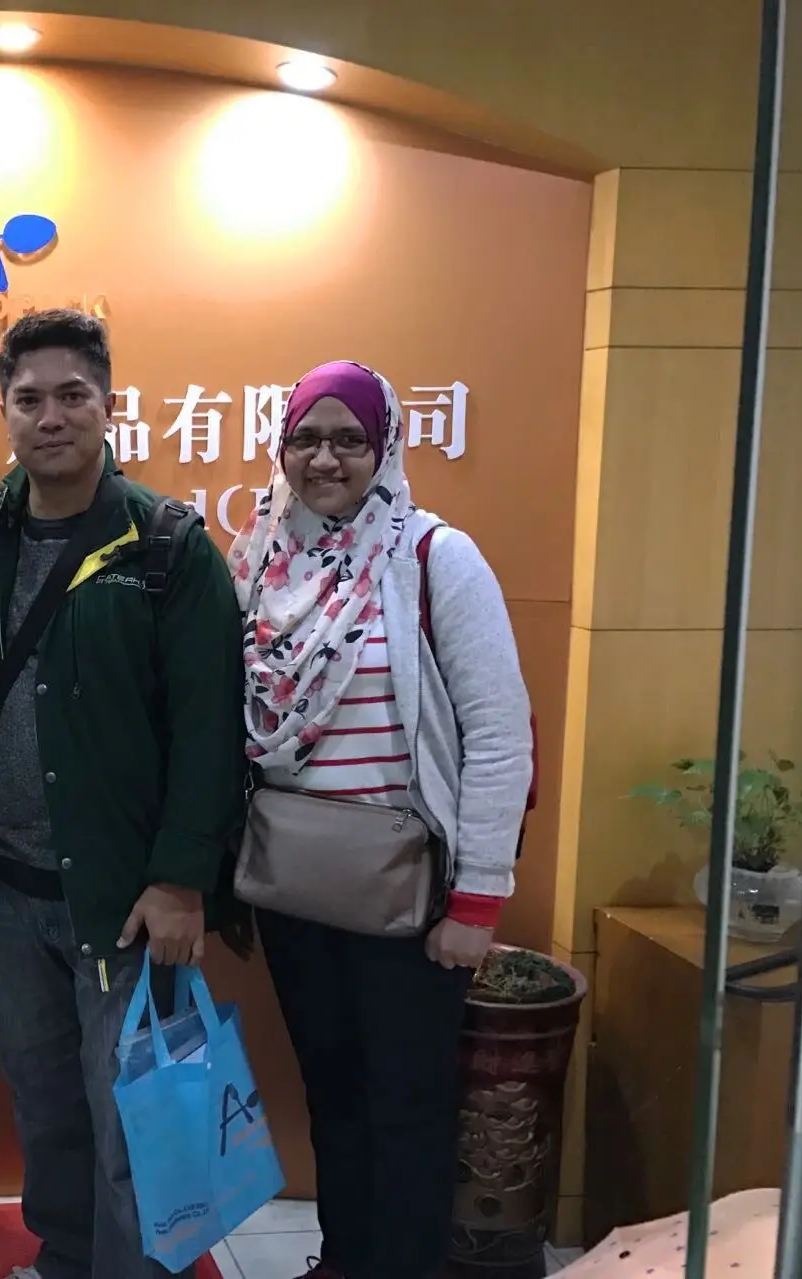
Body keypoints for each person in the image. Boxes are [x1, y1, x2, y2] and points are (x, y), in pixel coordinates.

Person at [0, 309, 247, 1279]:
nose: (51, 416)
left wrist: (181, 880)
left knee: (136, 1125)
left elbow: (211, 726)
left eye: (72, 394)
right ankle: (65, 1258)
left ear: (109, 405)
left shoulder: (166, 545)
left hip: (124, 900)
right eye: (28, 398)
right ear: (3, 411)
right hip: (11, 891)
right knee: (44, 1103)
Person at [224, 360, 533, 1279]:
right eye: (306, 439)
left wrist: (477, 901)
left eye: (349, 439)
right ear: (283, 447)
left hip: (409, 894)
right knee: (335, 1097)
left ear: (384, 445)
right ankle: (346, 1259)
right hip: (296, 888)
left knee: (407, 1108)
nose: (325, 459)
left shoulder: (435, 557)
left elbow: (500, 735)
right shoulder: (261, 559)